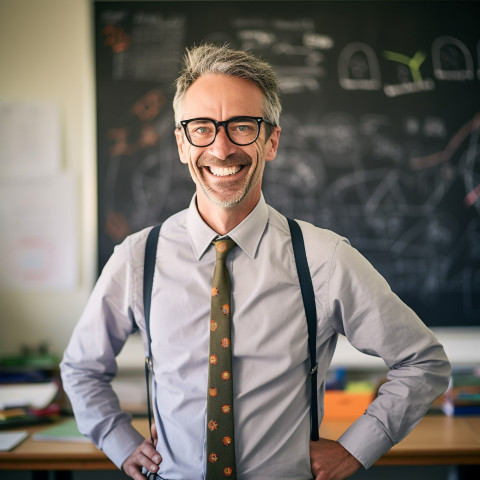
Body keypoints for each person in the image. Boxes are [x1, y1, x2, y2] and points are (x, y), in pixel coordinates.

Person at [61, 44, 451, 480]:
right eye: (202, 128)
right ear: (181, 143)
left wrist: (356, 449)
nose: (222, 148)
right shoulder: (138, 257)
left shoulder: (324, 258)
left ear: (272, 141)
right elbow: (81, 369)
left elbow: (423, 361)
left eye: (242, 127)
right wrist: (118, 439)